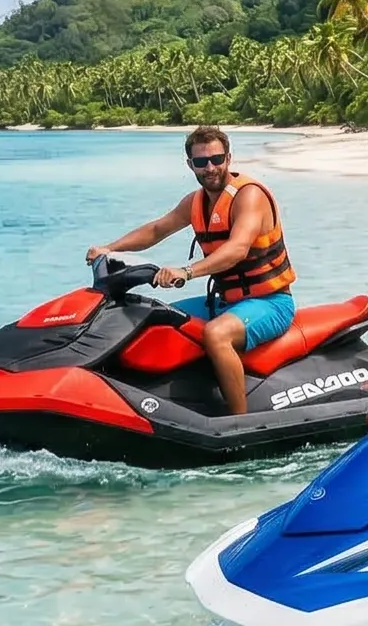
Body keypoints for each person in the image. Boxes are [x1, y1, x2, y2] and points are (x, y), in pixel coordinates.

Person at [85, 126, 297, 415]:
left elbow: (237, 249)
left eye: (216, 159)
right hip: (224, 302)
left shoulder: (249, 196)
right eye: (201, 162)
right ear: (190, 165)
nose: (210, 167)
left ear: (229, 158)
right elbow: (157, 229)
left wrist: (186, 271)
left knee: (216, 335)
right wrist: (110, 249)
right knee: (153, 319)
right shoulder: (195, 202)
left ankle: (239, 421)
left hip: (271, 303)